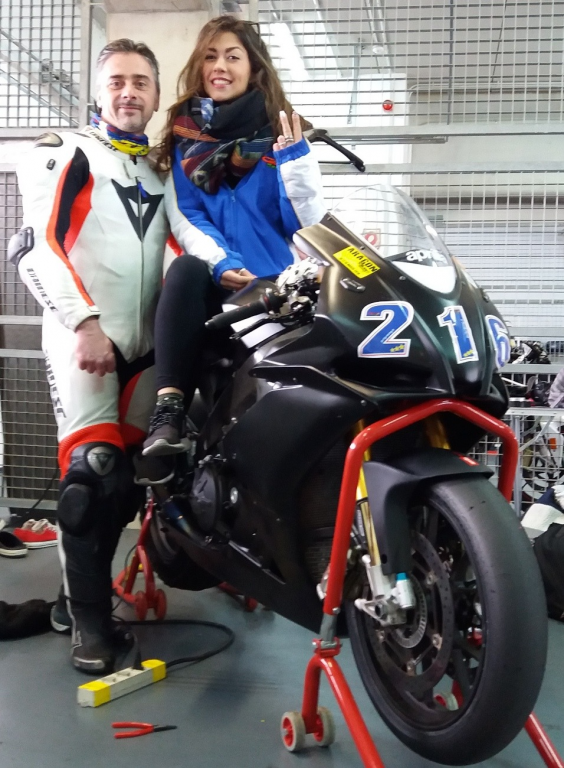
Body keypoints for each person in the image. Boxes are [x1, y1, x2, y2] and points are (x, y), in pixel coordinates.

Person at [13, 39, 216, 674]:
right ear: (99, 92)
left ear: (156, 96)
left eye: (141, 82)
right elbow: (35, 247)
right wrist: (84, 322)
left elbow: (190, 246)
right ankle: (91, 628)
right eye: (117, 81)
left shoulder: (165, 170)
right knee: (92, 473)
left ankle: (74, 600)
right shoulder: (64, 151)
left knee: (129, 481)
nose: (129, 92)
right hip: (83, 337)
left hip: (150, 350)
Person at [142, 15, 325, 457]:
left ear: (253, 67)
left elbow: (306, 226)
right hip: (216, 287)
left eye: (232, 56)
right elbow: (187, 216)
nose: (220, 66)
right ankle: (168, 411)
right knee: (185, 269)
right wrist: (221, 262)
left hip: (274, 292)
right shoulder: (186, 140)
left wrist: (296, 166)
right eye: (210, 57)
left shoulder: (282, 137)